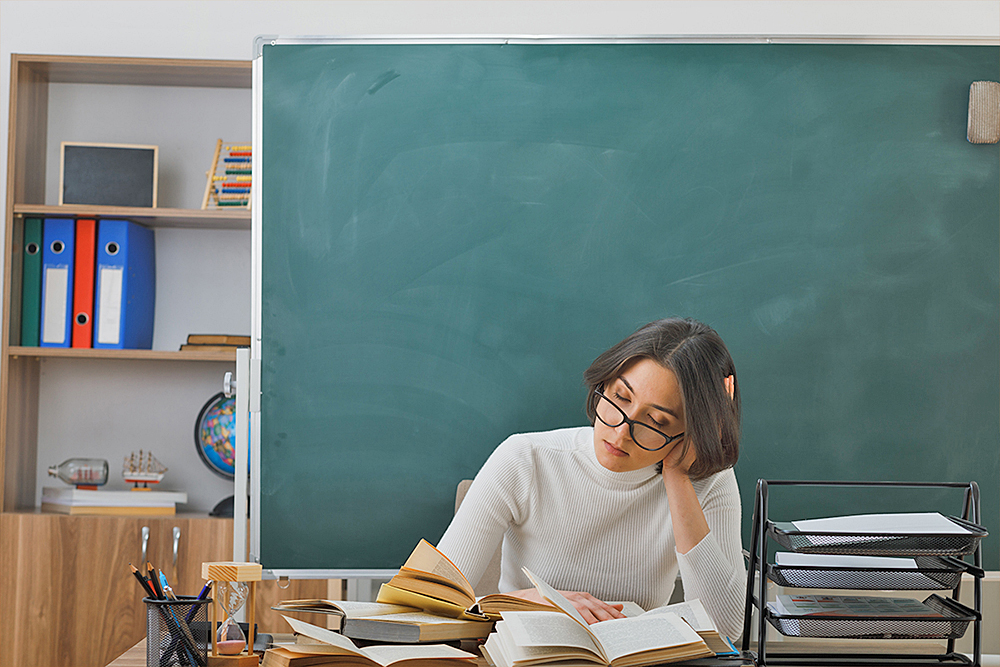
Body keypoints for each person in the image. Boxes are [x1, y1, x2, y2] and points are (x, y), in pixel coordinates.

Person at [437, 317, 745, 640]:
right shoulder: (525, 459)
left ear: (689, 432)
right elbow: (426, 603)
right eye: (621, 397)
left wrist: (678, 478)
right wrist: (520, 602)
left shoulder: (709, 483)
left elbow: (725, 629)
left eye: (655, 421)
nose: (621, 431)